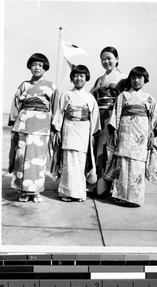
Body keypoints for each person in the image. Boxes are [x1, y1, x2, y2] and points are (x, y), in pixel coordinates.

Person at [105, 66, 157, 207]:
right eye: (133, 78)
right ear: (129, 80)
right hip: (125, 134)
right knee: (123, 165)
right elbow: (116, 115)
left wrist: (152, 136)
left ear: (145, 80)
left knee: (137, 166)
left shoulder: (149, 99)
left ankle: (135, 198)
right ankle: (120, 196)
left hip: (141, 136)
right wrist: (114, 132)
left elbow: (155, 120)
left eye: (139, 78)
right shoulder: (123, 96)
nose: (136, 80)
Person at [8, 53, 59, 203]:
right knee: (22, 158)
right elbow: (16, 105)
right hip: (23, 124)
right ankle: (23, 191)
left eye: (40, 65)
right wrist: (13, 122)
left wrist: (55, 127)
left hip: (42, 126)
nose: (37, 67)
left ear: (45, 69)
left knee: (37, 159)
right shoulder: (24, 85)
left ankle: (35, 191)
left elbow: (56, 108)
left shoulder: (51, 86)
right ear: (30, 66)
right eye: (34, 64)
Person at [55, 65, 100, 202]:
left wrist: (92, 134)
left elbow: (95, 118)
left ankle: (79, 192)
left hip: (83, 130)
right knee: (68, 161)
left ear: (86, 78)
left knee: (81, 162)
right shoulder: (66, 95)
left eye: (81, 76)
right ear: (72, 78)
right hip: (69, 128)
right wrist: (57, 131)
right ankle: (66, 192)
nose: (78, 78)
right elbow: (59, 114)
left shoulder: (90, 97)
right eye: (75, 75)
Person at [91, 46, 127, 197]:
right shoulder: (99, 79)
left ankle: (113, 188)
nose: (106, 61)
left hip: (114, 117)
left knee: (112, 151)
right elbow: (91, 96)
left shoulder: (123, 78)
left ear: (117, 59)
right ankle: (101, 187)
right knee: (99, 150)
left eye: (109, 58)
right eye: (103, 59)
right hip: (99, 116)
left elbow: (126, 99)